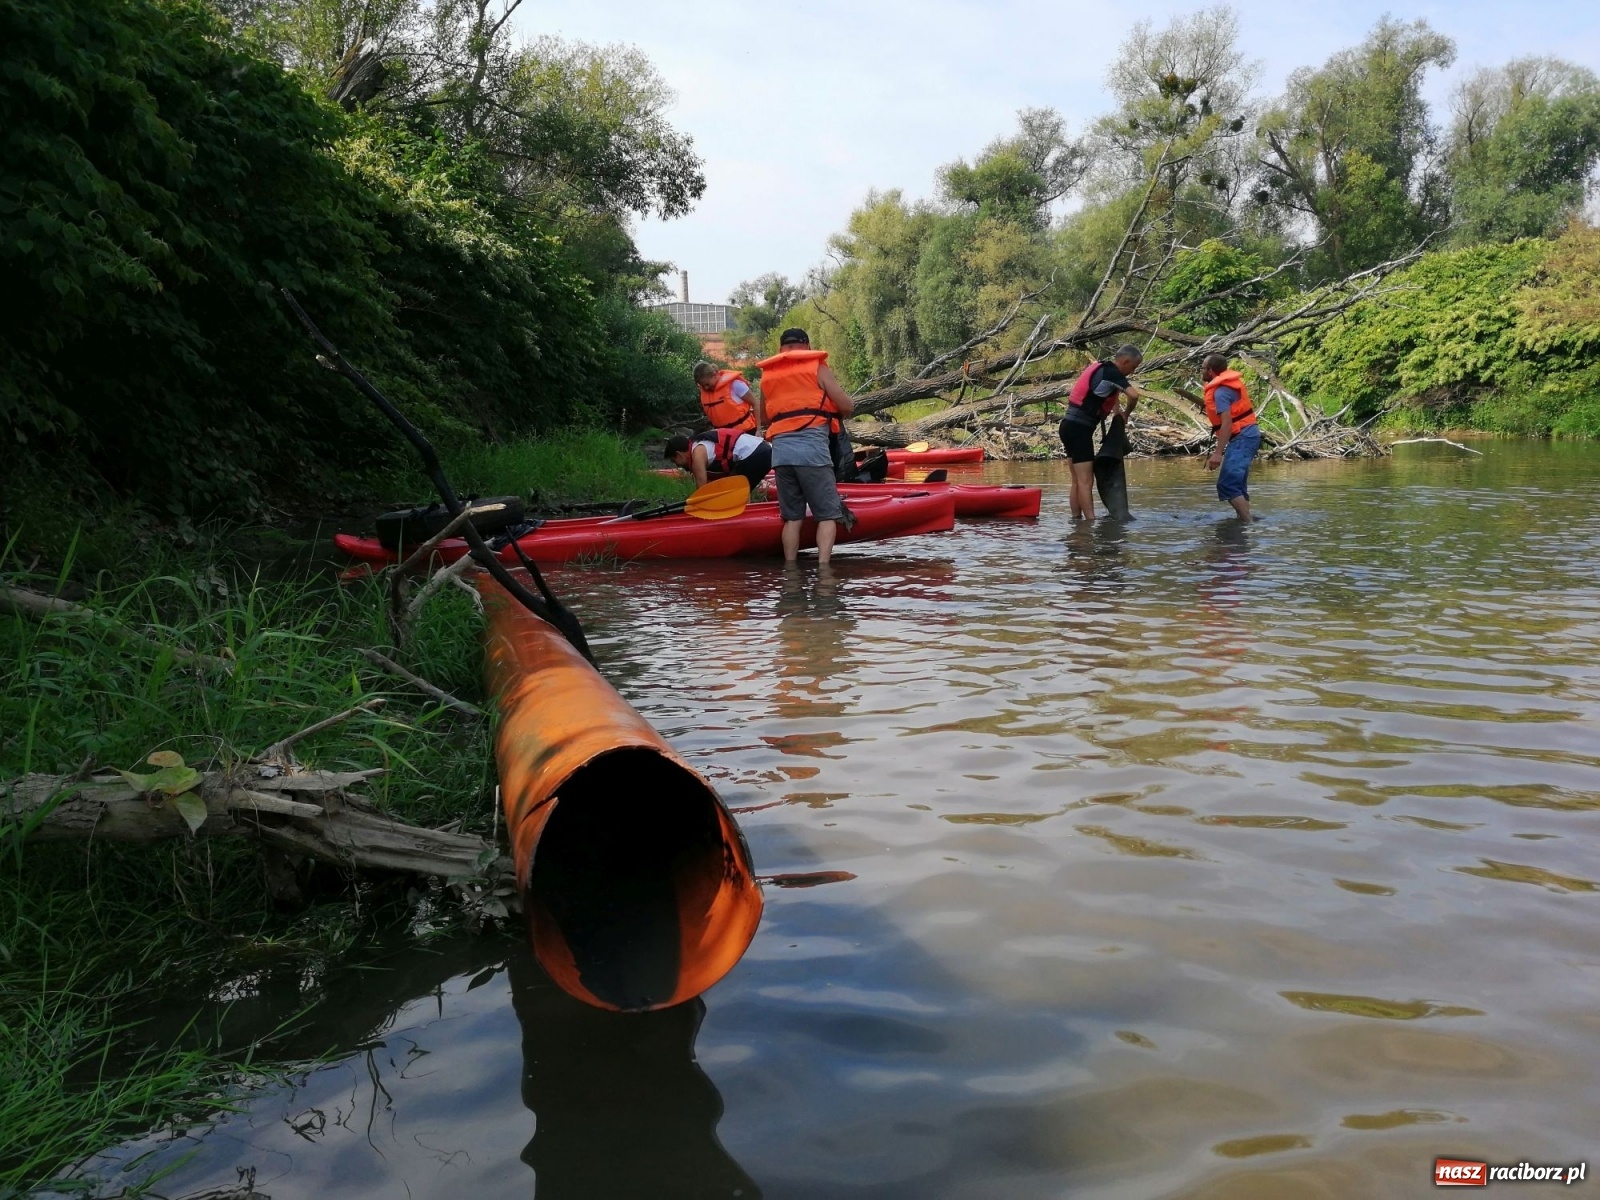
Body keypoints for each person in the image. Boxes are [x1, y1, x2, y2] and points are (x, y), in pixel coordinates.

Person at [756, 328, 856, 564]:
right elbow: (846, 406)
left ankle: (790, 569)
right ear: (807, 345)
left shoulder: (768, 376)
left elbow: (764, 418)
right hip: (813, 454)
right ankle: (824, 571)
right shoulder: (817, 367)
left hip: (780, 455)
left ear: (781, 349)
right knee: (828, 515)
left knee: (792, 518)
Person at [1060, 345, 1145, 520]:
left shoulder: (1103, 369)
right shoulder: (1113, 373)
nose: (1133, 371)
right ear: (1125, 361)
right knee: (1086, 481)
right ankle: (1091, 523)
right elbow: (1134, 395)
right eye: (1133, 367)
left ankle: (1076, 521)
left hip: (1067, 426)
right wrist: (1127, 413)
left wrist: (1117, 412)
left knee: (1077, 480)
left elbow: (1110, 393)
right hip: (1080, 430)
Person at [1201, 354, 1261, 521]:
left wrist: (1217, 453)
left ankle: (1247, 523)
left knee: (1227, 484)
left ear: (1211, 371)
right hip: (1247, 435)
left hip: (1243, 436)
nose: (1201, 371)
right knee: (1238, 484)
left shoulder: (1220, 392)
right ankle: (1243, 525)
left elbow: (1227, 424)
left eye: (1203, 368)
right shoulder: (1225, 387)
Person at [664, 428, 772, 490]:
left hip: (754, 453)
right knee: (738, 489)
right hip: (761, 450)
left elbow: (701, 488)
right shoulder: (699, 444)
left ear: (679, 454)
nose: (677, 465)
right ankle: (744, 513)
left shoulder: (697, 454)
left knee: (734, 490)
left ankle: (741, 518)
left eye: (675, 461)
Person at [694, 362, 759, 434]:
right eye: (703, 386)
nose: (706, 387)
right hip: (723, 436)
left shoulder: (735, 385)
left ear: (715, 375)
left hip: (746, 432)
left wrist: (759, 430)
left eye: (707, 384)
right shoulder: (705, 391)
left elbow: (755, 403)